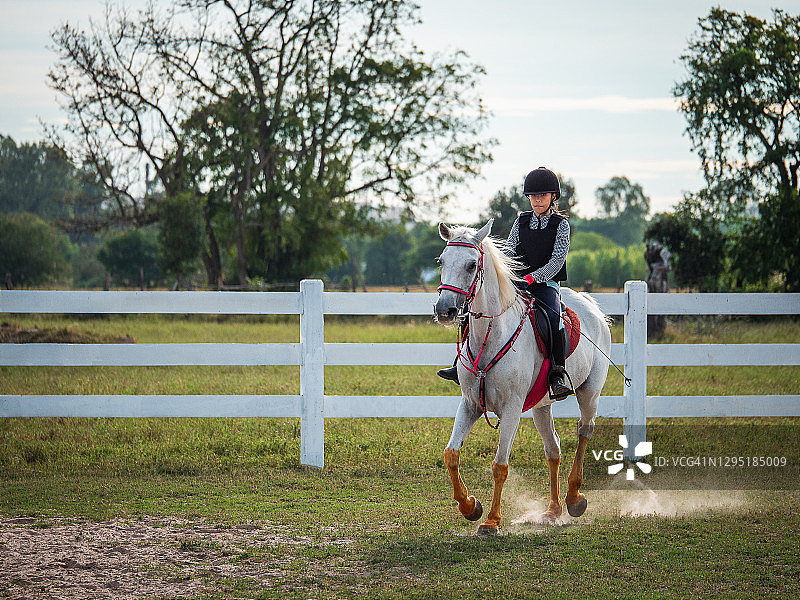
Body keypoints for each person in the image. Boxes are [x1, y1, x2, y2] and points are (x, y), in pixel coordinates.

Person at [437, 166, 574, 401]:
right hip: (518, 283)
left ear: (553, 197)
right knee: (477, 311)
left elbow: (557, 260)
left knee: (554, 319)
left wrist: (535, 277)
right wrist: (511, 275)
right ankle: (459, 363)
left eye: (542, 195)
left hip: (546, 285)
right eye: (533, 196)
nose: (537, 200)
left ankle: (557, 374)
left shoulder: (561, 225)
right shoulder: (521, 221)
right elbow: (509, 251)